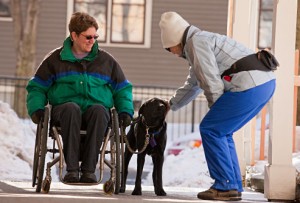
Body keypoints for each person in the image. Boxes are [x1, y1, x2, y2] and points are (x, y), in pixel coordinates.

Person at [159, 11, 276, 201]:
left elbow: (211, 81)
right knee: (222, 131)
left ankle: (224, 186)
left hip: (250, 84)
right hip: (263, 83)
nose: (171, 53)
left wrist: (216, 108)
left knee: (211, 129)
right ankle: (232, 185)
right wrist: (171, 105)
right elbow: (194, 83)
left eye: (168, 48)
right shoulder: (199, 42)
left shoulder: (196, 43)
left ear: (174, 39)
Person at [26, 12, 134, 183]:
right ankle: (72, 169)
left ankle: (89, 171)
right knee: (71, 108)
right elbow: (37, 87)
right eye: (88, 37)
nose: (93, 41)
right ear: (74, 35)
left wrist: (126, 111)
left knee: (99, 110)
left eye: (95, 37)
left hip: (96, 113)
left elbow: (122, 89)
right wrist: (37, 109)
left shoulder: (106, 61)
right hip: (64, 113)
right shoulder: (55, 59)